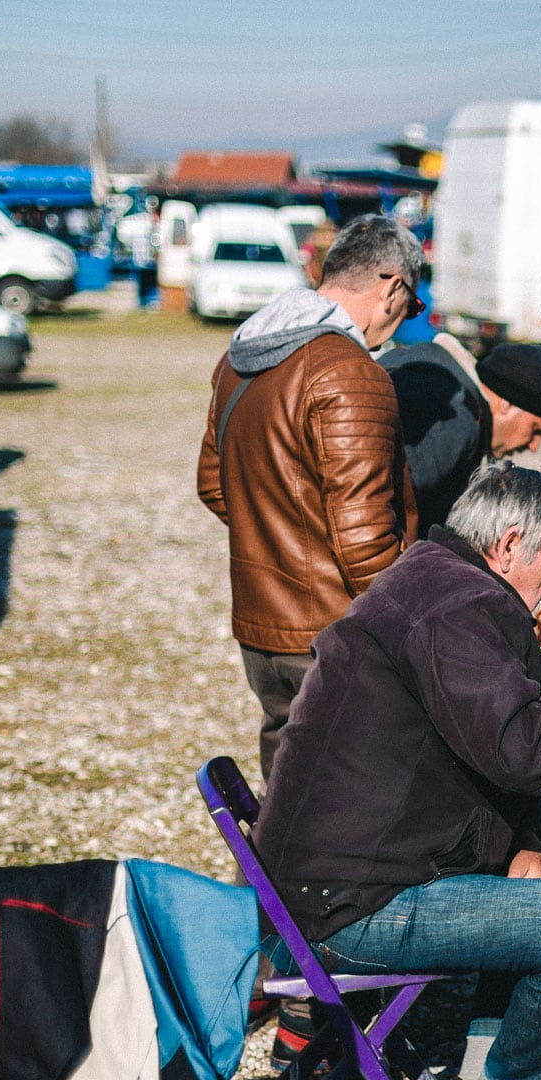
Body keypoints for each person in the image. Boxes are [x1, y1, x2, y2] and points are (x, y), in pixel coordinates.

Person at [253, 463, 541, 1080]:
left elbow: (487, 747)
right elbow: (517, 744)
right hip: (349, 911)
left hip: (329, 878)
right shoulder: (459, 607)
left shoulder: (435, 574)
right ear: (507, 544)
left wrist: (526, 835)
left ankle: (485, 1070)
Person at [196, 214, 425, 785]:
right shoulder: (351, 372)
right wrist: (420, 627)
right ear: (391, 285)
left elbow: (212, 483)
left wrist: (284, 543)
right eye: (412, 305)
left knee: (291, 786)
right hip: (335, 632)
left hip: (260, 629)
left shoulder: (240, 358)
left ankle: (275, 876)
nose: (403, 321)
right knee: (355, 797)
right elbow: (363, 539)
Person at [380, 336, 541, 529]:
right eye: (536, 429)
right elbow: (379, 499)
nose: (534, 446)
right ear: (507, 403)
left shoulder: (427, 369)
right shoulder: (456, 418)